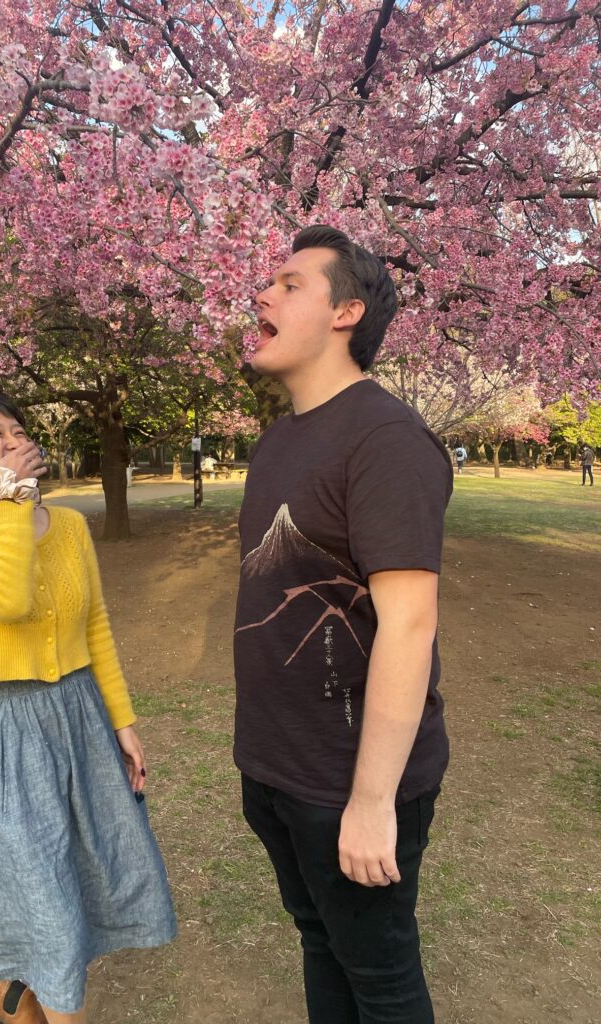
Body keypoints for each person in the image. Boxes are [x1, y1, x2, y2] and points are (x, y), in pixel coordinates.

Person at [234, 225, 453, 1024]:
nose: (265, 293)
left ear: (345, 313)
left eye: (291, 284)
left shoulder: (385, 439)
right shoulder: (277, 444)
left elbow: (409, 623)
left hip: (347, 785)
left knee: (382, 980)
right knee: (320, 943)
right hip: (277, 770)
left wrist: (371, 802)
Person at [0, 393, 176, 1024]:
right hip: (8, 731)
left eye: (16, 431)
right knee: (37, 883)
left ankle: (10, 992)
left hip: (82, 715)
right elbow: (6, 599)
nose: (9, 441)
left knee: (83, 867)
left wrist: (123, 722)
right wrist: (8, 505)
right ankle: (22, 993)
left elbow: (95, 626)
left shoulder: (70, 528)